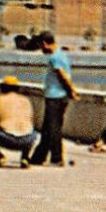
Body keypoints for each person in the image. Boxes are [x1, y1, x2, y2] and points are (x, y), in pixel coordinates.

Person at [27, 32, 77, 167]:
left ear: (44, 43)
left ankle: (57, 157)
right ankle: (39, 157)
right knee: (48, 129)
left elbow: (63, 76)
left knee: (53, 128)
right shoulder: (62, 55)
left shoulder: (55, 58)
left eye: (40, 46)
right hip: (59, 96)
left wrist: (72, 90)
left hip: (55, 97)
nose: (40, 49)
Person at [0, 76, 39, 167]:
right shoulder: (26, 100)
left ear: (2, 87)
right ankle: (25, 158)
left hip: (7, 138)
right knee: (32, 132)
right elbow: (32, 121)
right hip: (27, 140)